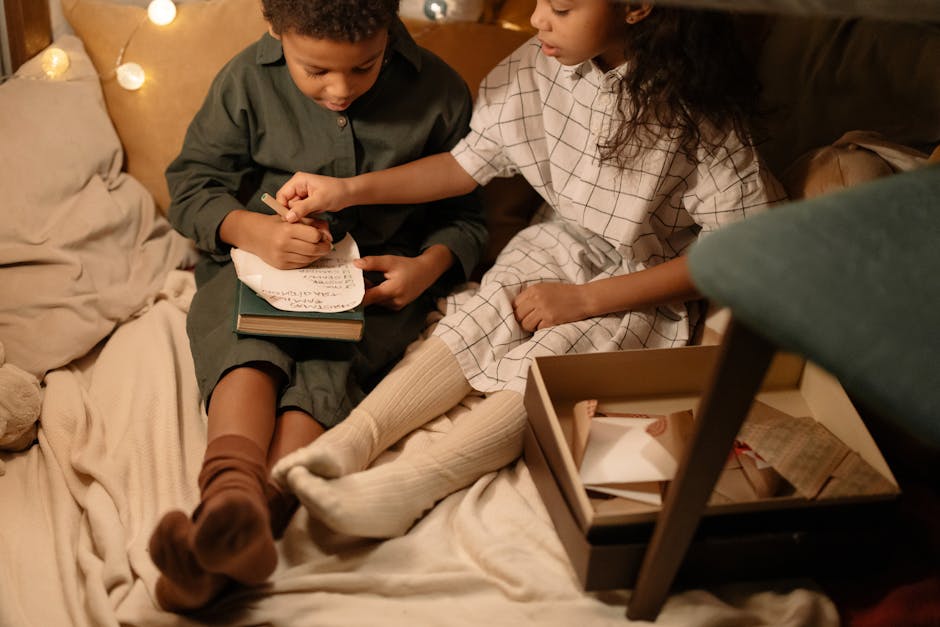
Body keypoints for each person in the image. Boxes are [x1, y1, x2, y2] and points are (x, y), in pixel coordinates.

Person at [270, 0, 787, 540]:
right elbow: (463, 166)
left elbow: (739, 255)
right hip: (561, 238)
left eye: (559, 7)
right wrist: (346, 191)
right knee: (481, 314)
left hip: (645, 281)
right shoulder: (538, 65)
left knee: (551, 359)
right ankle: (352, 439)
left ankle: (413, 484)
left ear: (635, 7)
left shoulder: (702, 117)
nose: (538, 18)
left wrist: (586, 300)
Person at [148, 0, 486, 613]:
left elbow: (467, 212)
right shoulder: (246, 80)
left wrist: (429, 266)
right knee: (247, 345)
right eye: (316, 72)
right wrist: (252, 232)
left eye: (363, 69)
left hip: (377, 277)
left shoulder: (438, 90)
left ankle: (245, 523)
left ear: (389, 35)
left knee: (328, 371)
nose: (340, 91)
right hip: (256, 261)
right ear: (276, 32)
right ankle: (230, 494)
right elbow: (193, 185)